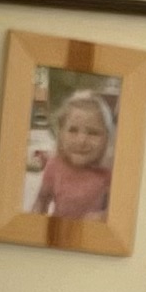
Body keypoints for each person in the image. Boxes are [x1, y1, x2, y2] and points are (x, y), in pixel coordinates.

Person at [32, 83, 117, 222]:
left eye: (93, 133)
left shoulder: (109, 174)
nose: (81, 140)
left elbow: (122, 213)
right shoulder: (54, 166)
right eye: (72, 130)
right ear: (60, 134)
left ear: (107, 139)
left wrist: (103, 217)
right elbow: (41, 201)